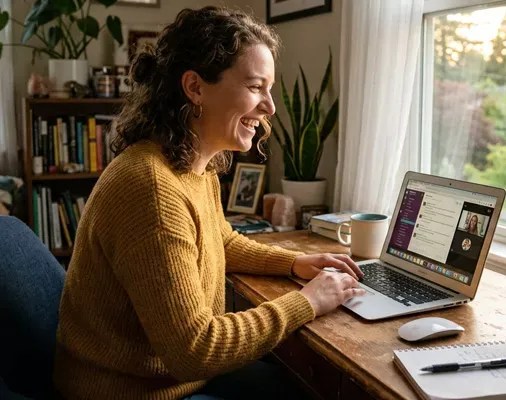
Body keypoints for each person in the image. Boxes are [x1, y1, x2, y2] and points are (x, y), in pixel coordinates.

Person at [53, 6, 366, 400]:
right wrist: (307, 301)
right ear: (195, 87)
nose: (270, 107)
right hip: (133, 391)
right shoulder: (151, 187)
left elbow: (220, 239)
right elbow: (195, 350)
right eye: (255, 87)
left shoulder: (192, 166)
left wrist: (293, 262)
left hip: (174, 379)